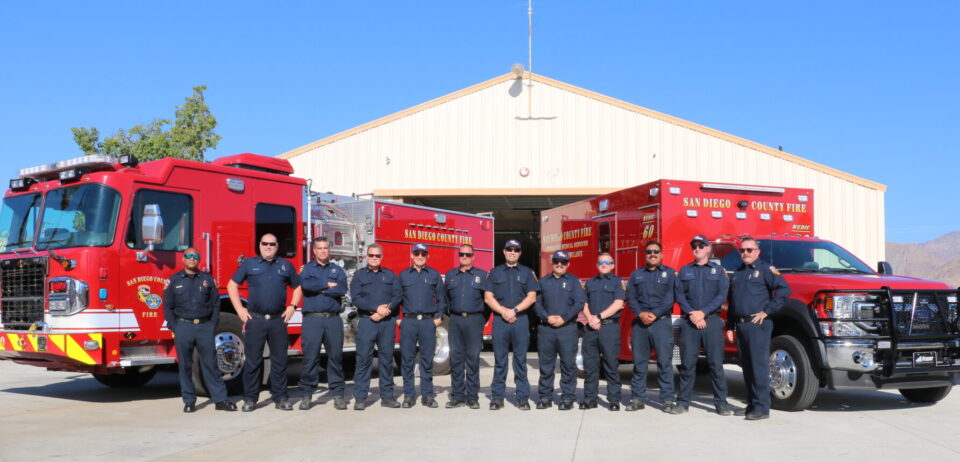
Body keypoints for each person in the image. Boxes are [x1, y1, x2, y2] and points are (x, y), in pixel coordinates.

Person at [227, 233, 301, 412]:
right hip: (256, 320)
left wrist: (292, 306)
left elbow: (297, 287)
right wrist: (239, 309)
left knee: (279, 362)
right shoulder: (250, 264)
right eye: (265, 243)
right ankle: (250, 399)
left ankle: (281, 397)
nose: (268, 246)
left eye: (272, 244)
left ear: (277, 246)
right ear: (259, 245)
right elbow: (231, 285)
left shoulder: (285, 265)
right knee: (253, 361)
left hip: (278, 321)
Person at [673, 235, 741, 416]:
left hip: (711, 321)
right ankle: (683, 402)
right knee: (687, 364)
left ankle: (721, 403)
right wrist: (693, 314)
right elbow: (679, 295)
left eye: (701, 246)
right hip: (690, 322)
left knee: (715, 364)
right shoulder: (685, 270)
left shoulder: (719, 271)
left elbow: (721, 296)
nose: (697, 249)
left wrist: (703, 313)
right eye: (694, 246)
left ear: (708, 248)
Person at [163, 248, 236, 412]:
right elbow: (168, 307)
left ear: (199, 260)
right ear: (183, 259)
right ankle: (189, 400)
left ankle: (220, 400)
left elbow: (216, 304)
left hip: (205, 327)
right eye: (188, 256)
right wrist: (175, 326)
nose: (192, 259)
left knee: (210, 364)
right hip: (183, 327)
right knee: (185, 365)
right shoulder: (173, 281)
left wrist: (212, 324)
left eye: (195, 256)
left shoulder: (208, 280)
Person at [727, 237, 791, 420]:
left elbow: (783, 290)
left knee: (758, 366)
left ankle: (762, 408)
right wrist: (730, 325)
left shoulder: (766, 269)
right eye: (742, 250)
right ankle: (752, 404)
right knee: (746, 367)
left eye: (749, 250)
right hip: (741, 324)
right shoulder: (738, 273)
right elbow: (733, 302)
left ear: (757, 251)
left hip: (758, 325)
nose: (745, 253)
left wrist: (767, 311)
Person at [483, 239, 539, 410]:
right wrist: (503, 311)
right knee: (500, 361)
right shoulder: (494, 272)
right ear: (504, 251)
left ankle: (522, 398)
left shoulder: (528, 273)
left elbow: (531, 297)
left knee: (520, 361)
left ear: (520, 253)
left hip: (520, 320)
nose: (512, 252)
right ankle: (497, 397)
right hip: (500, 321)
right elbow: (488, 297)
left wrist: (513, 311)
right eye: (509, 249)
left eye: (516, 250)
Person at [295, 237, 348, 410]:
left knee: (336, 358)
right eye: (320, 248)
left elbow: (341, 289)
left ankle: (339, 394)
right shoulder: (307, 269)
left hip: (333, 319)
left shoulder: (337, 270)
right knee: (311, 358)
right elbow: (306, 285)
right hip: (312, 319)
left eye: (326, 248)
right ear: (314, 251)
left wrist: (319, 287)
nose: (323, 251)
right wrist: (326, 285)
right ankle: (307, 394)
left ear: (329, 250)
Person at [626, 241, 678, 412]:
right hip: (640, 324)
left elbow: (670, 298)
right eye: (649, 252)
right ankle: (637, 398)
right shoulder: (636, 275)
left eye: (656, 251)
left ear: (661, 254)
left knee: (664, 362)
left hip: (661, 322)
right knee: (639, 363)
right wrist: (640, 313)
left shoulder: (670, 274)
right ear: (645, 254)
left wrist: (655, 314)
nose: (652, 254)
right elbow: (631, 298)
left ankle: (667, 400)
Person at [350, 243, 402, 410]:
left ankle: (387, 396)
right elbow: (356, 298)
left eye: (377, 256)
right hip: (367, 321)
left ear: (382, 257)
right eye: (371, 255)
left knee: (386, 360)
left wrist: (385, 310)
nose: (374, 258)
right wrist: (375, 308)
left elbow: (398, 295)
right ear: (366, 257)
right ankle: (360, 397)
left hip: (386, 322)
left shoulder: (390, 275)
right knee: (363, 359)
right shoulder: (359, 276)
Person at [398, 243, 447, 408]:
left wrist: (439, 318)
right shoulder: (403, 275)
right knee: (407, 360)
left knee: (427, 360)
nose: (420, 256)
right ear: (411, 255)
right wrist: (398, 319)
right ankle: (409, 396)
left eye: (423, 254)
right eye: (417, 253)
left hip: (428, 322)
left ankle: (427, 395)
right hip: (409, 322)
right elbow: (396, 298)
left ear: (427, 256)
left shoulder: (434, 275)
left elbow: (442, 298)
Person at [534, 250, 585, 411]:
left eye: (563, 262)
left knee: (568, 365)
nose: (559, 264)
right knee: (546, 365)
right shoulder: (543, 282)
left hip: (567, 329)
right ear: (552, 262)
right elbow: (536, 303)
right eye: (556, 261)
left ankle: (568, 398)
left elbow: (578, 303)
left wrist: (563, 318)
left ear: (568, 264)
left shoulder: (574, 282)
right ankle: (545, 397)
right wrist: (546, 317)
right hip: (546, 329)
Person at [443, 244, 487, 409]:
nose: (465, 257)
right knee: (456, 359)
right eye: (462, 254)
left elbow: (488, 300)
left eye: (468, 254)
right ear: (458, 256)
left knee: (473, 359)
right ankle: (457, 396)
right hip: (455, 320)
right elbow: (445, 298)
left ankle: (472, 397)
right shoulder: (450, 275)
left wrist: (482, 320)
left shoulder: (482, 276)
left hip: (474, 321)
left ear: (473, 257)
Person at [581, 252, 625, 411]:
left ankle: (613, 400)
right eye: (601, 262)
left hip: (609, 328)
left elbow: (618, 303)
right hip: (591, 328)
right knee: (590, 365)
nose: (604, 264)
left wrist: (598, 317)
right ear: (597, 265)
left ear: (613, 265)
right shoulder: (590, 283)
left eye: (607, 262)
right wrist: (590, 319)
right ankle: (589, 399)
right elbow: (584, 304)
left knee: (611, 364)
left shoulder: (617, 282)